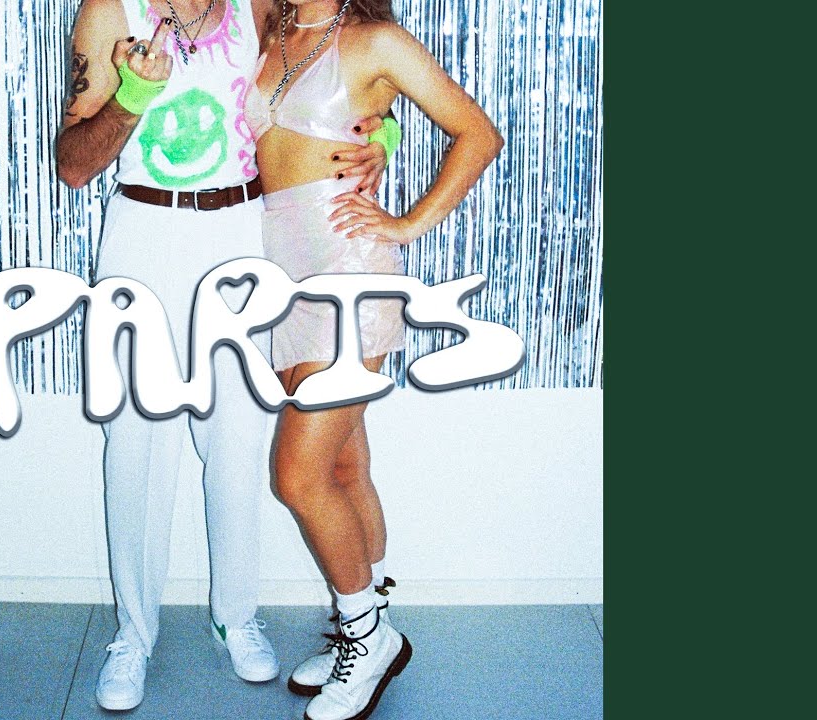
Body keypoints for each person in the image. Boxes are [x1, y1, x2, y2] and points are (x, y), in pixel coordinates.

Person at [55, 0, 389, 710]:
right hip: (143, 232)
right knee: (136, 445)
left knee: (238, 439)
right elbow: (73, 165)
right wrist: (132, 97)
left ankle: (237, 617)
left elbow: (320, 71)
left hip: (242, 233)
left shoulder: (260, 5)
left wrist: (375, 135)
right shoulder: (111, 12)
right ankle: (133, 635)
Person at [243, 1, 505, 719]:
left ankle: (367, 638)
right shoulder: (265, 29)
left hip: (349, 270)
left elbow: (478, 133)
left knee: (298, 476)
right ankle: (365, 618)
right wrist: (384, 136)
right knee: (343, 467)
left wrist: (410, 222)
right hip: (283, 271)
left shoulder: (377, 40)